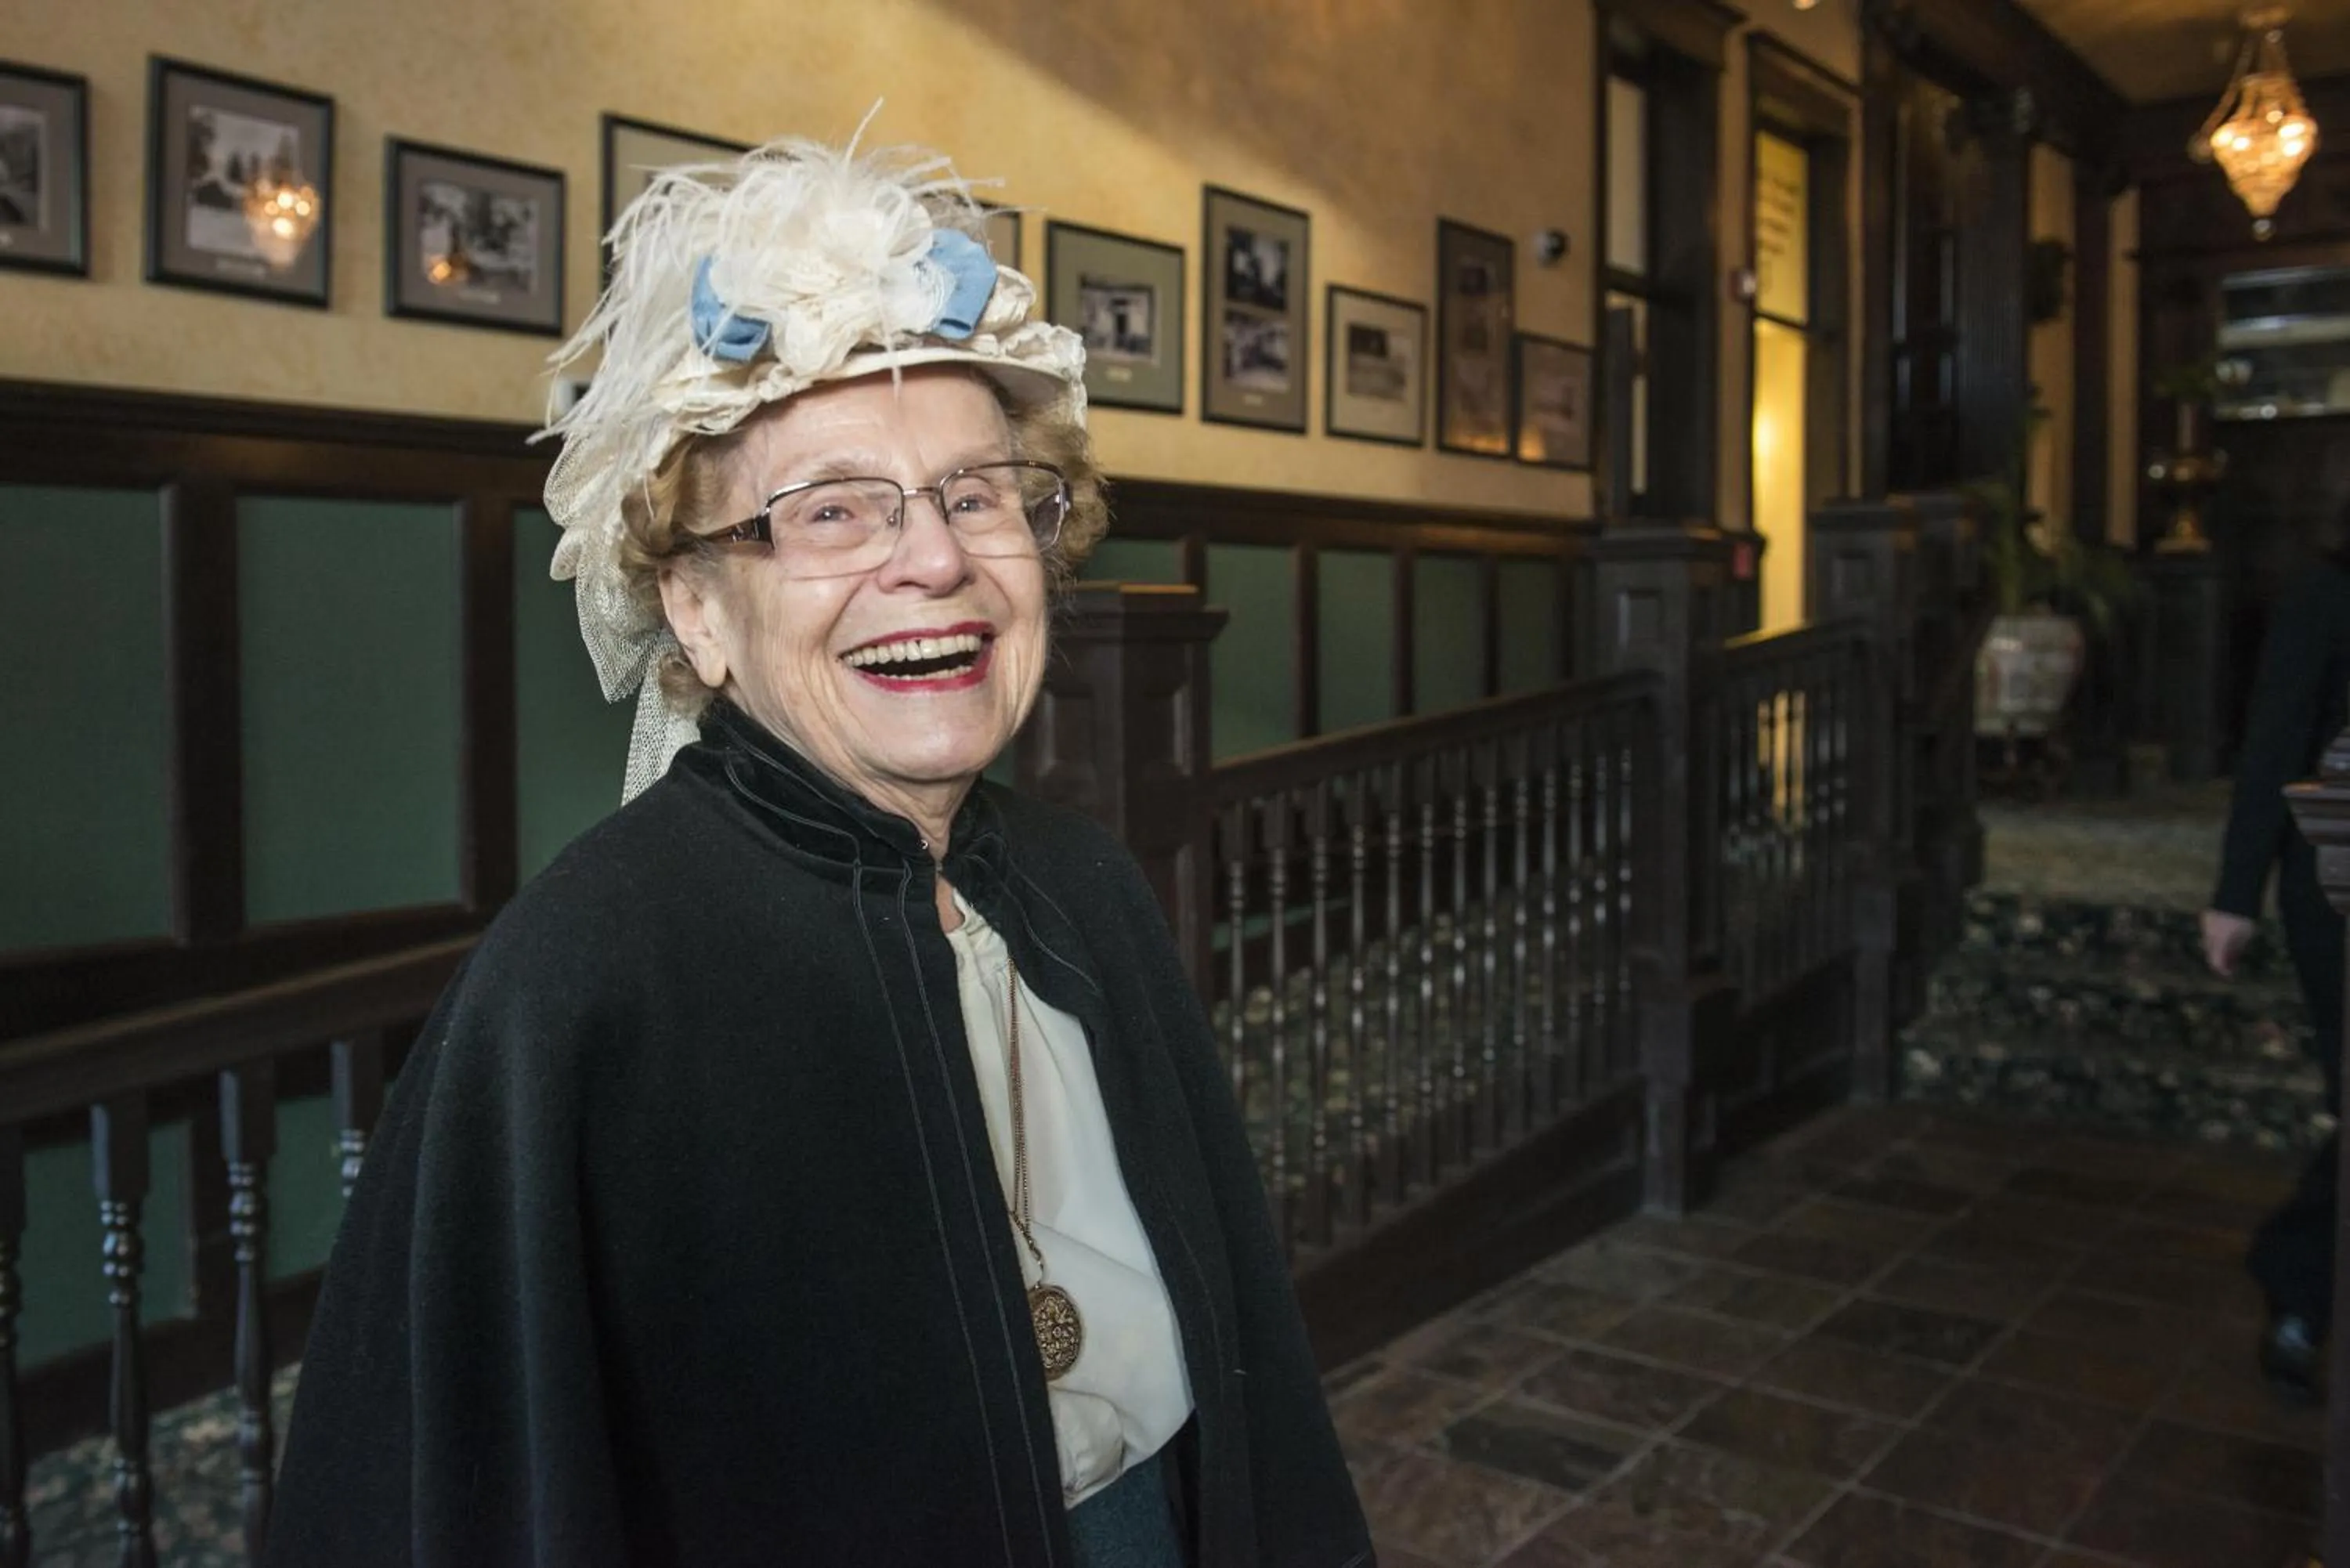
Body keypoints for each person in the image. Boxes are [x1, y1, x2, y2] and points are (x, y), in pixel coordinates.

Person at [266, 133, 1370, 1567]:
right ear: (701, 614)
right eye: (834, 511)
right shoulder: (580, 985)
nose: (934, 561)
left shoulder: (1087, 888)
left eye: (978, 494)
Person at [2202, 492, 2350, 1404]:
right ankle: (2300, 1291)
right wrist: (2233, 895)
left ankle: (2296, 1270)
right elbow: (2272, 750)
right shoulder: (2322, 597)